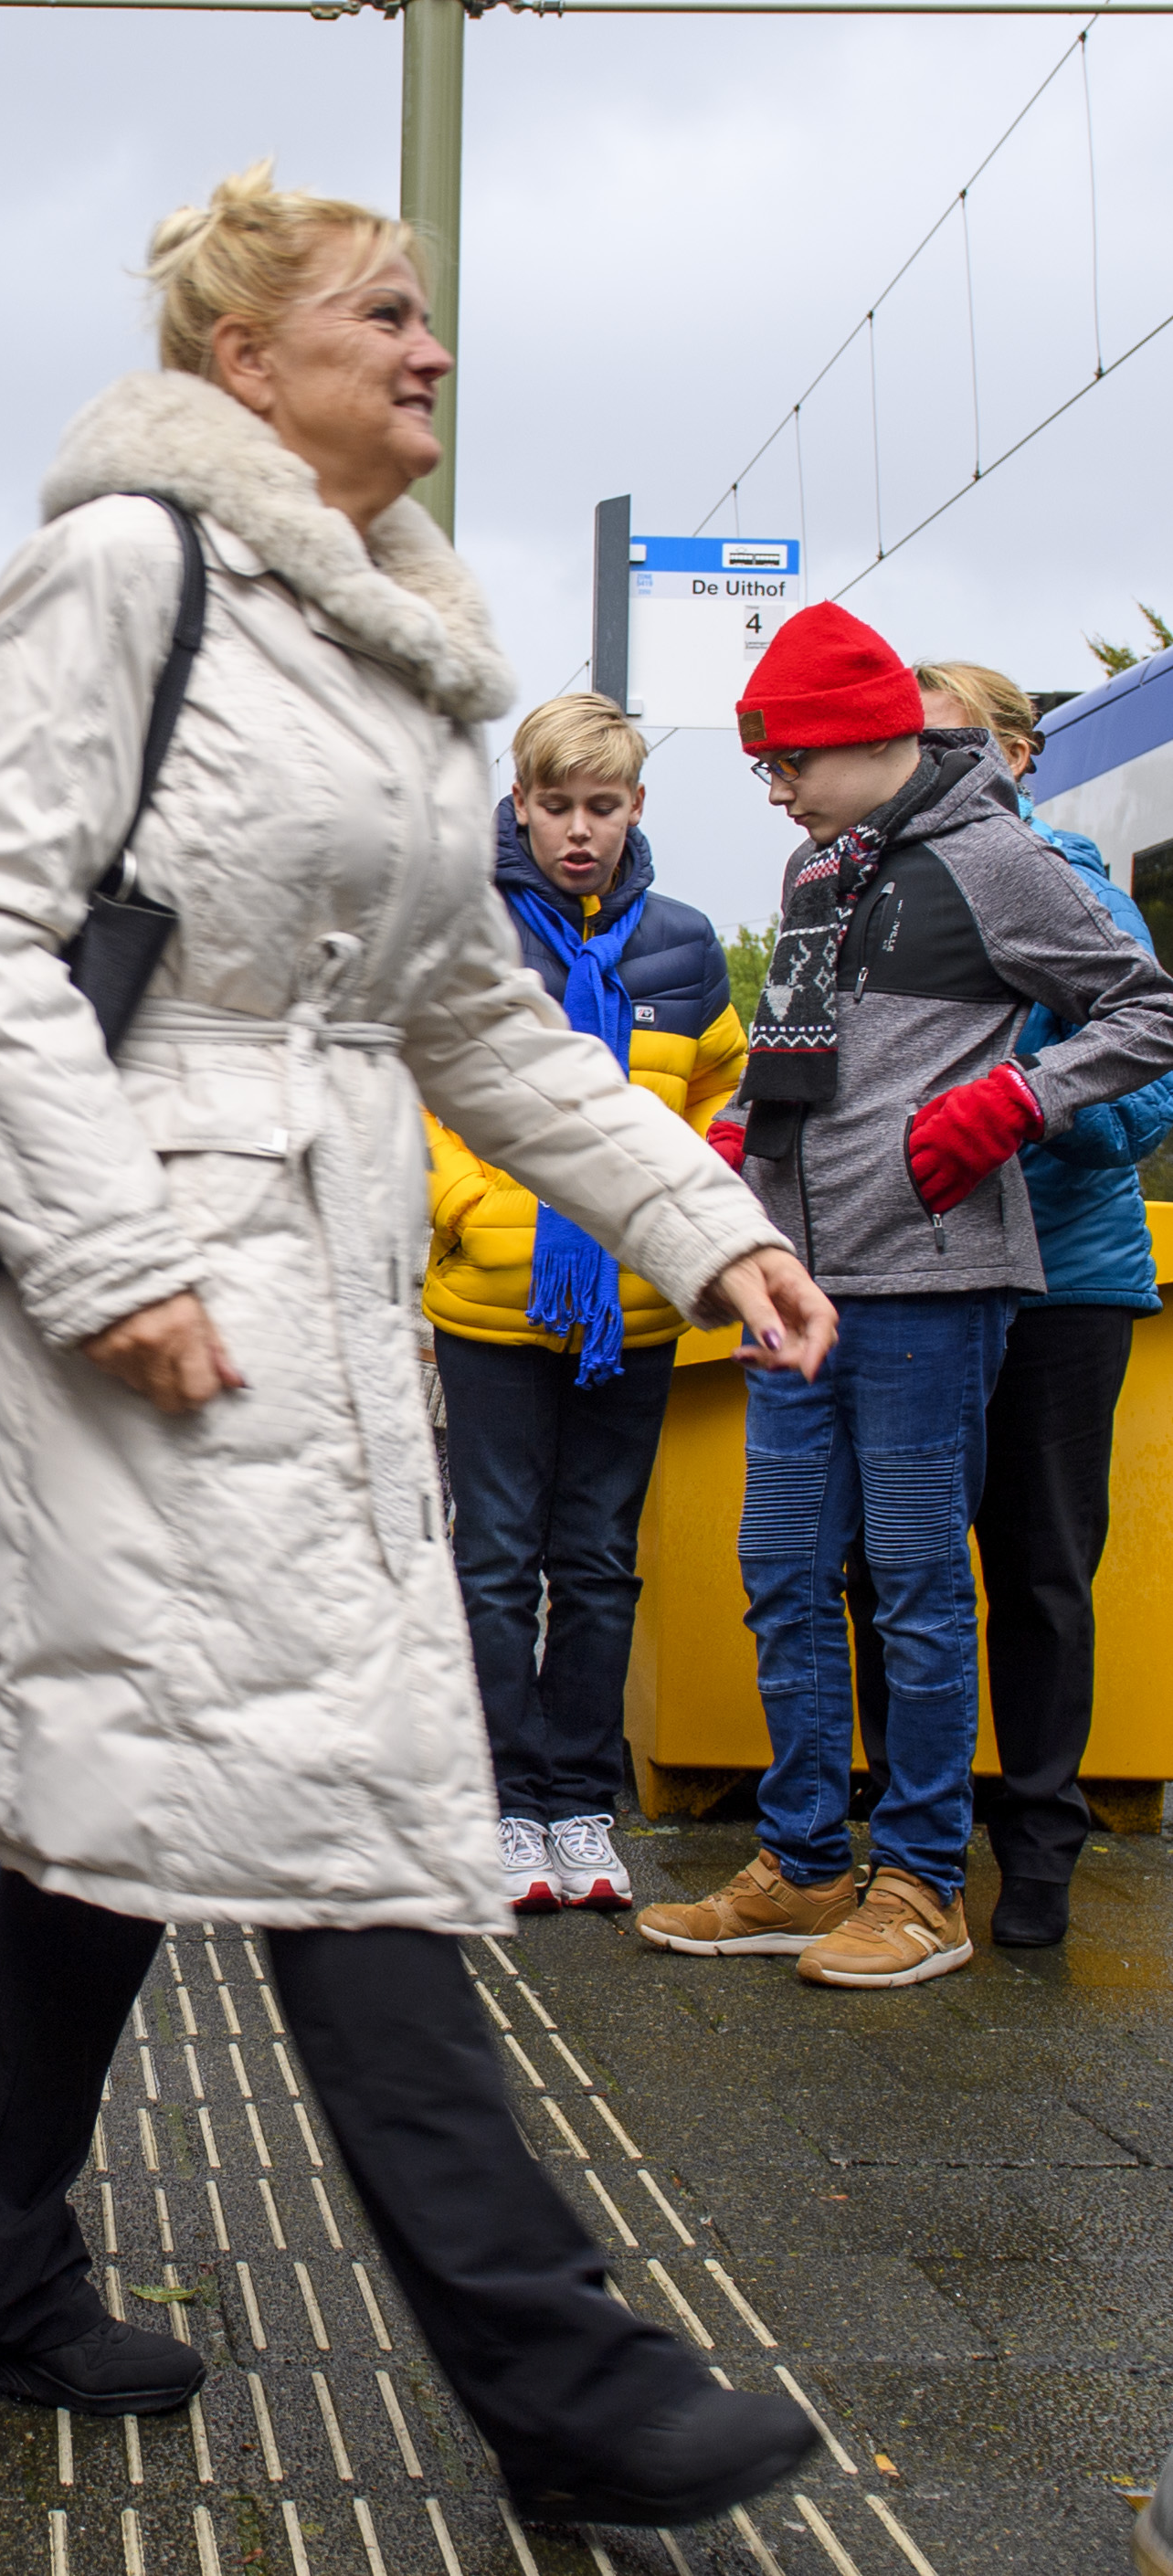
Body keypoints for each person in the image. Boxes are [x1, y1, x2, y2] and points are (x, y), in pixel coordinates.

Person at [0, 163, 833, 2528]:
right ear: (239, 363)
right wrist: (108, 1262)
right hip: (165, 1296)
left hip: (296, 1280)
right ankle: (555, 2373)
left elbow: (469, 1011)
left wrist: (697, 1222)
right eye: (375, 313)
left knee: (141, 1792)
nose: (423, 347)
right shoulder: (126, 568)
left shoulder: (386, 652)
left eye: (425, 315)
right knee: (343, 1801)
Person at [637, 607, 1173, 1990]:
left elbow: (1144, 1014)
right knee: (782, 1577)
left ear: (866, 738)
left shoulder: (1000, 861)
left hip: (936, 1283)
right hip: (796, 1287)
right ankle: (807, 1863)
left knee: (921, 1589)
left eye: (783, 763)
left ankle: (922, 1884)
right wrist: (732, 1158)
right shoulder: (817, 868)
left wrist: (1016, 1098)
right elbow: (799, 1054)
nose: (772, 791)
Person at [833, 662, 1173, 1951]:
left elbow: (1144, 1096)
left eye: (952, 742)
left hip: (1057, 1285)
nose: (925, 766)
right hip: (918, 1273)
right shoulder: (875, 883)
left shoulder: (1070, 888)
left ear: (1017, 755)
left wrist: (1015, 1107)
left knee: (1034, 1570)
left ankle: (1034, 1851)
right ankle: (908, 1847)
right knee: (891, 1565)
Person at [423, 695, 743, 1912]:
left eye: (598, 807)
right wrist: (461, 1204)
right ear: (516, 804)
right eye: (552, 805)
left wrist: (691, 1179)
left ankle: (575, 1805)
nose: (574, 830)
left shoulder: (681, 945)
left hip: (636, 1303)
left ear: (632, 810)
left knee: (598, 1562)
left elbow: (714, 1080)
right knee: (497, 1558)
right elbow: (408, 1075)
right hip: (490, 1303)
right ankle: (501, 1806)